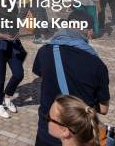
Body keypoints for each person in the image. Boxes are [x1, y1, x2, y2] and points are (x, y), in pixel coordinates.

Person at [33, 10, 110, 146]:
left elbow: (41, 74)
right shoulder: (97, 65)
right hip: (76, 138)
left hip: (47, 131)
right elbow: (103, 109)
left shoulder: (44, 51)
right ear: (89, 32)